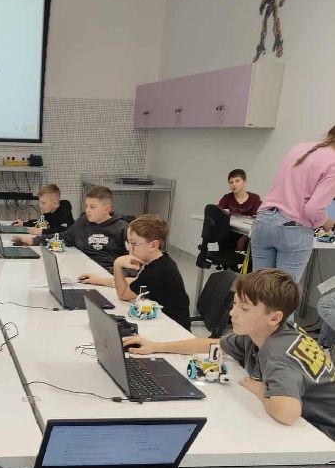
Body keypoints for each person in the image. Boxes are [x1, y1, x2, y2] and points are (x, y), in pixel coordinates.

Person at [124, 269, 335, 440]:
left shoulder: (277, 354)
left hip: (324, 435)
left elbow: (288, 413)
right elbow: (213, 344)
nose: (233, 313)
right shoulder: (264, 333)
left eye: (245, 308)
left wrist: (260, 389)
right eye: (235, 304)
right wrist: (156, 346)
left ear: (274, 318)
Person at [251, 127, 335, 283]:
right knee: (284, 292)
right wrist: (327, 222)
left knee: (258, 288)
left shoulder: (300, 148)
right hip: (294, 229)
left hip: (263, 221)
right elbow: (313, 209)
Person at [78, 214, 191, 330]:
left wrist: (117, 265)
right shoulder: (161, 260)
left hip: (174, 329)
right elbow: (134, 281)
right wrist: (98, 280)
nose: (129, 248)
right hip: (162, 321)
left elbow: (123, 294)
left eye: (134, 243)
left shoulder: (158, 270)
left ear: (153, 245)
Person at [13, 185, 127, 272]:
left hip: (106, 274)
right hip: (81, 269)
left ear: (107, 209)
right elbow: (64, 236)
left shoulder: (122, 228)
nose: (87, 210)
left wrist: (111, 277)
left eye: (92, 207)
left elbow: (131, 264)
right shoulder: (83, 222)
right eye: (86, 206)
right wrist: (33, 240)